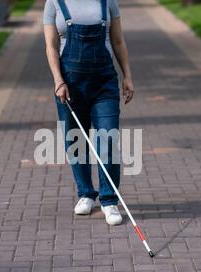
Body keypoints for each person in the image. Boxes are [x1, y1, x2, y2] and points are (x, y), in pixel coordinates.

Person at [43, 0, 134, 225]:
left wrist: (127, 76)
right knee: (76, 141)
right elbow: (51, 46)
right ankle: (85, 193)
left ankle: (109, 200)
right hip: (69, 84)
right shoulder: (54, 2)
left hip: (104, 82)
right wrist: (58, 81)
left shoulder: (107, 1)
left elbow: (118, 41)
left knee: (109, 139)